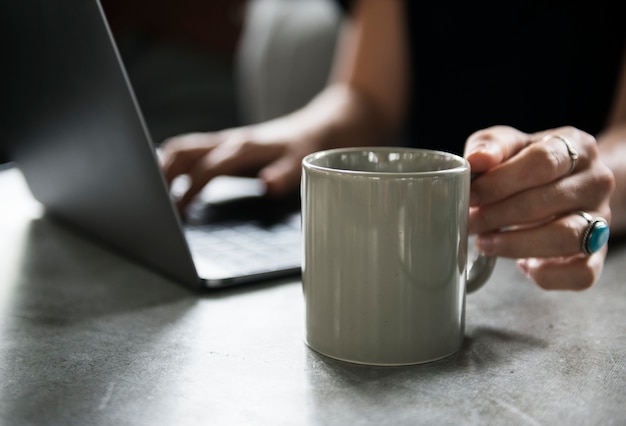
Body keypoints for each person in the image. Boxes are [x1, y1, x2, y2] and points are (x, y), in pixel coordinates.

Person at [159, 0, 626, 291]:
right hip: (420, 242)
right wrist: (300, 134)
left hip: (571, 265)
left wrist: (584, 179)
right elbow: (369, 98)